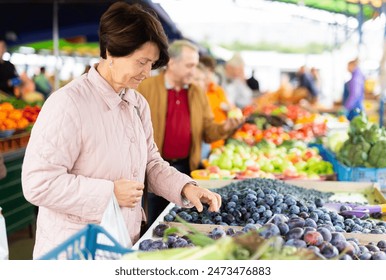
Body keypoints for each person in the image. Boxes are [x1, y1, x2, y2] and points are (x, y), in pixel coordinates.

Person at [21, 2, 221, 259]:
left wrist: (185, 187)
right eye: (142, 62)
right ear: (111, 52)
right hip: (75, 251)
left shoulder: (137, 103)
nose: (148, 73)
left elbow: (150, 161)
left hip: (123, 243)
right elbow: (38, 183)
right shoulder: (68, 104)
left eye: (152, 64)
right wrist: (109, 193)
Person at [137, 40, 243, 225]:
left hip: (187, 169)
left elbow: (209, 131)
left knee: (182, 221)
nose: (194, 71)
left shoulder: (197, 92)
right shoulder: (146, 87)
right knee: (152, 222)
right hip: (153, 170)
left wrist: (226, 127)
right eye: (189, 65)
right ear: (171, 62)